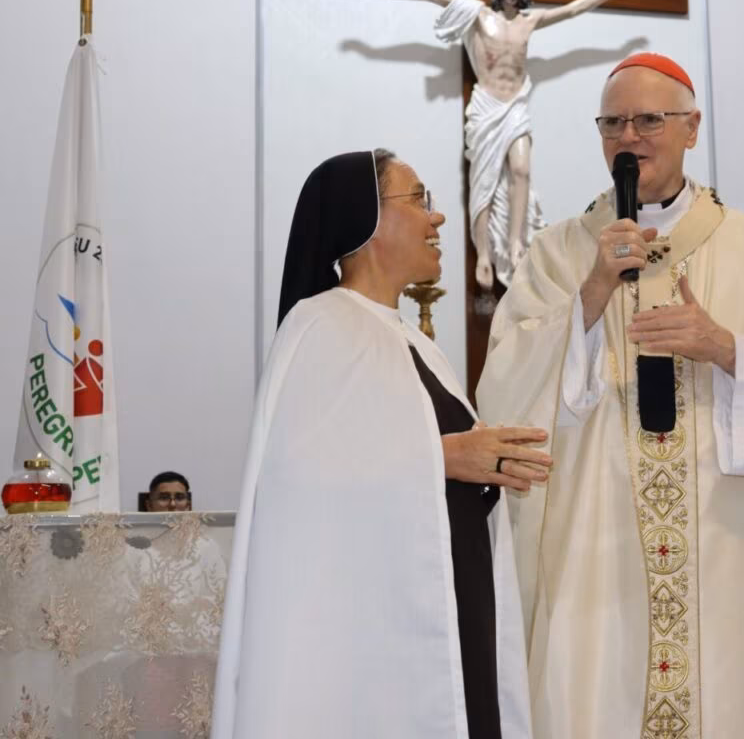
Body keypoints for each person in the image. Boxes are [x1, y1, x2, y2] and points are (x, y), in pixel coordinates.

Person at [477, 53, 744, 739]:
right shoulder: (561, 252)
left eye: (650, 119)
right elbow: (504, 385)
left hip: (724, 539)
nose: (629, 137)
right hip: (595, 555)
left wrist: (726, 347)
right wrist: (588, 299)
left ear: (692, 128)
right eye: (612, 122)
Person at [211, 150, 551, 739]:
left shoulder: (421, 348)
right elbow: (305, 485)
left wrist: (488, 461)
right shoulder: (320, 327)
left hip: (457, 601)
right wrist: (446, 457)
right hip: (379, 645)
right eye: (418, 199)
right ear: (364, 217)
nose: (437, 218)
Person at [368, 0, 640, 289]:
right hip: (487, 106)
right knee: (483, 182)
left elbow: (571, 10)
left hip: (515, 107)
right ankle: (483, 252)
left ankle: (515, 242)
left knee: (522, 171)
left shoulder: (530, 20)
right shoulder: (480, 16)